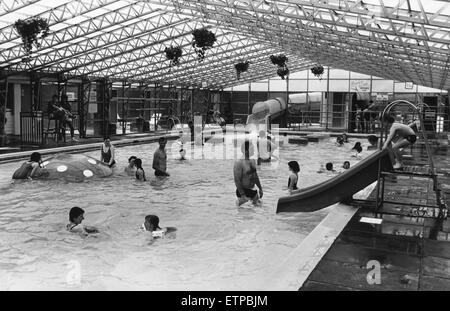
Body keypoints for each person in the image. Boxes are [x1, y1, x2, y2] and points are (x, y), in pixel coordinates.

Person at [233, 140, 263, 206]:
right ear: (245, 150)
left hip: (253, 191)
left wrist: (260, 188)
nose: (254, 151)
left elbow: (255, 176)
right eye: (252, 149)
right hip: (243, 193)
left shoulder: (252, 161)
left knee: (258, 211)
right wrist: (243, 195)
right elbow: (237, 180)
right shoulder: (239, 163)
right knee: (244, 214)